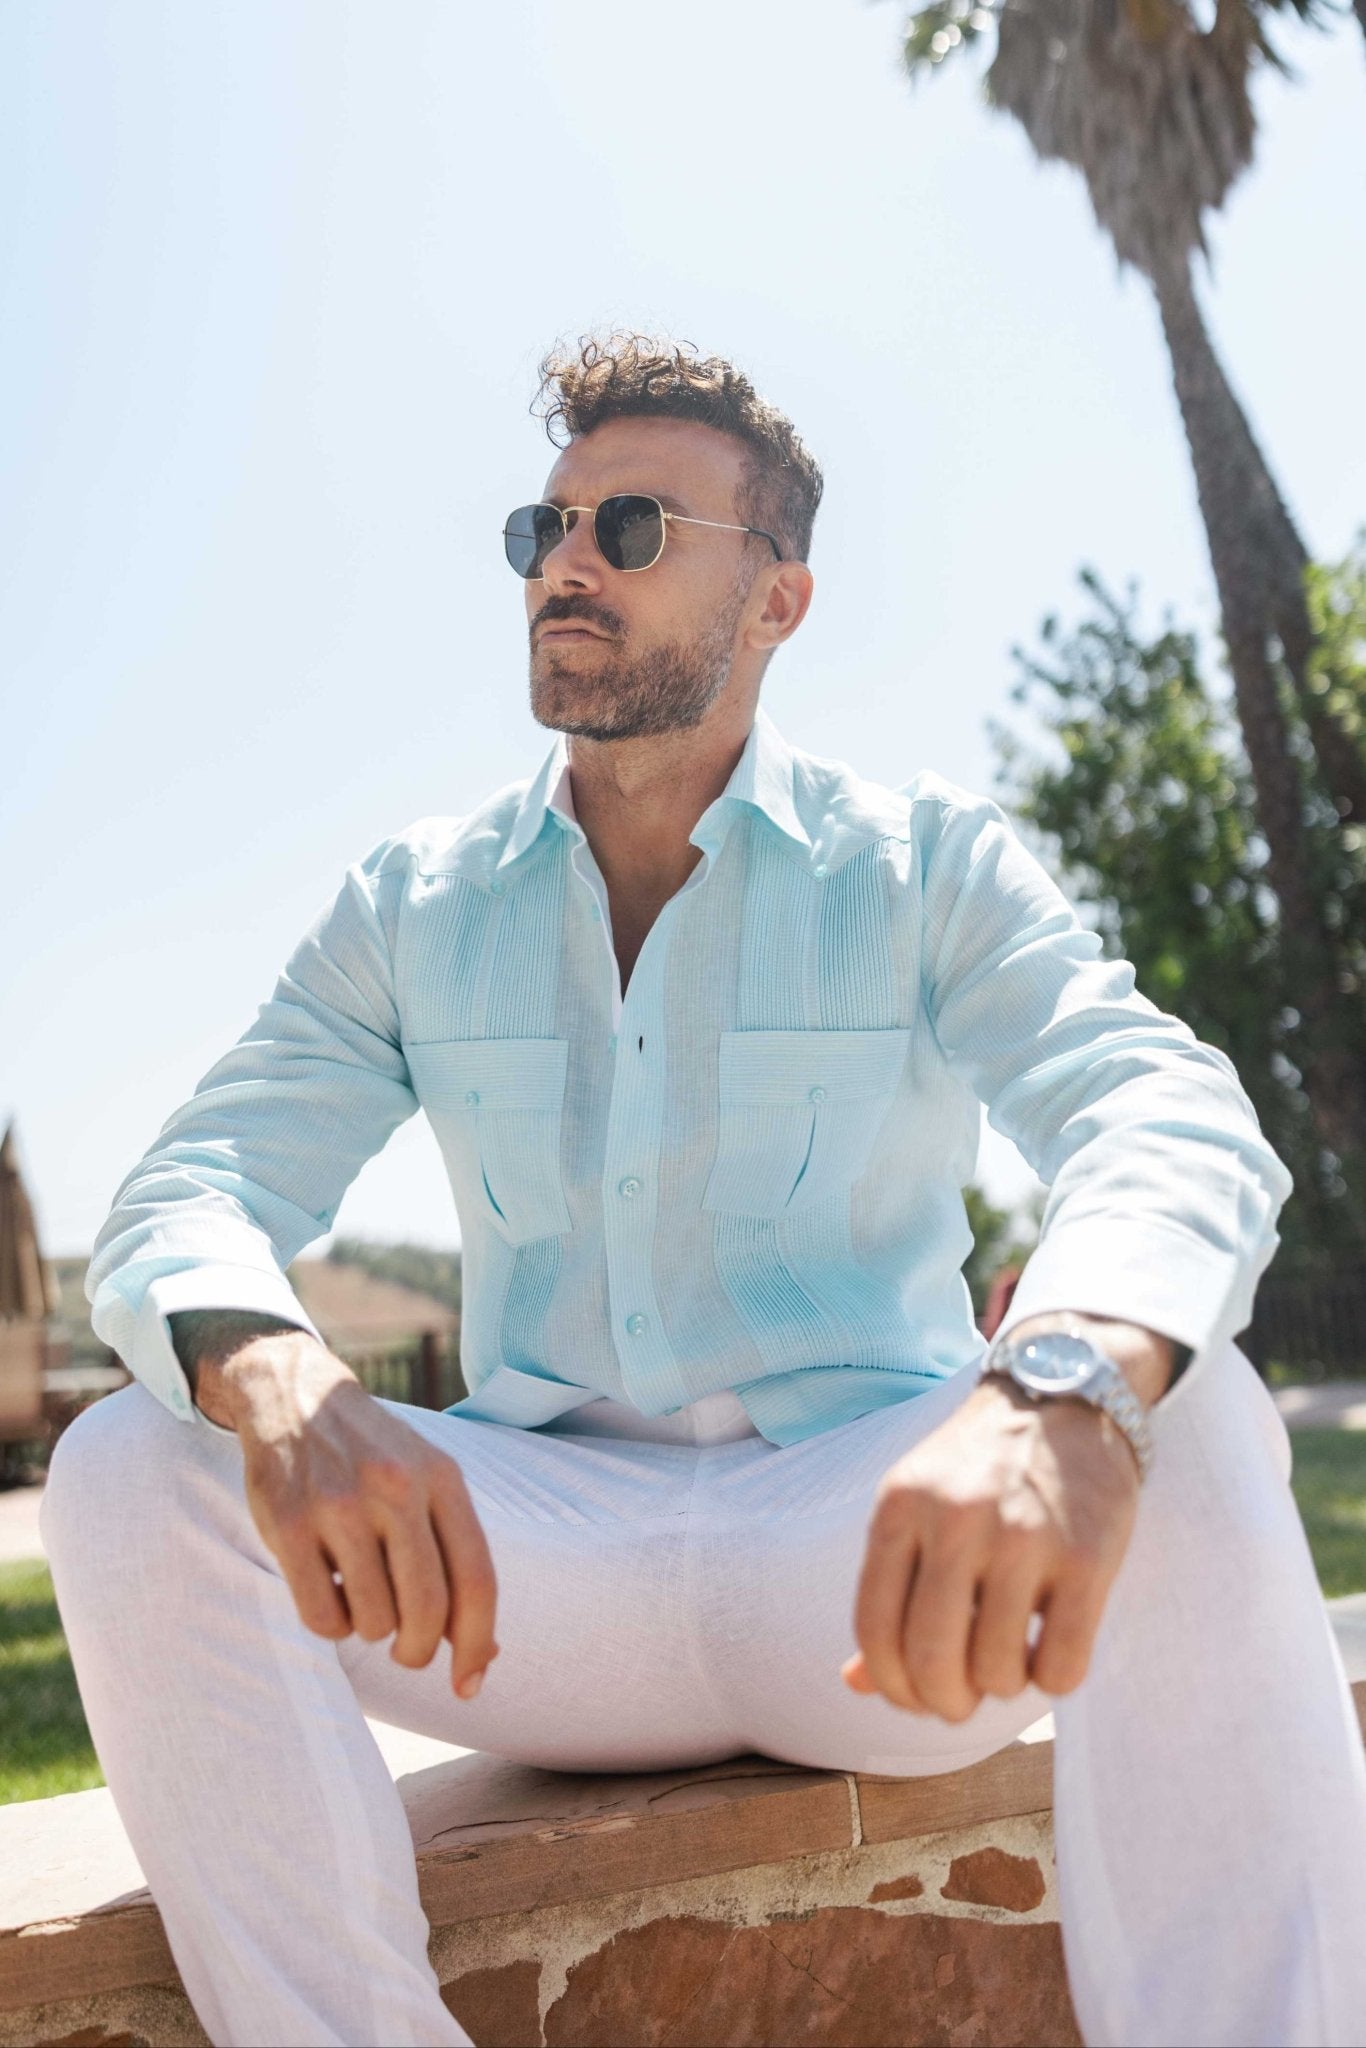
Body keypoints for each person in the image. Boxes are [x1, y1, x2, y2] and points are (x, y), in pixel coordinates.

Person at [44, 335, 1366, 2048]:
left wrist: (1050, 1385)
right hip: (529, 1584)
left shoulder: (921, 864)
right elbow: (191, 1188)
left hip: (871, 1557)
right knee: (135, 1456)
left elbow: (1162, 1112)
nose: (569, 564)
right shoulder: (411, 904)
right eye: (547, 529)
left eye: (635, 527)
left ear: (778, 600)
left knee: (1179, 1416)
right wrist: (274, 1369)